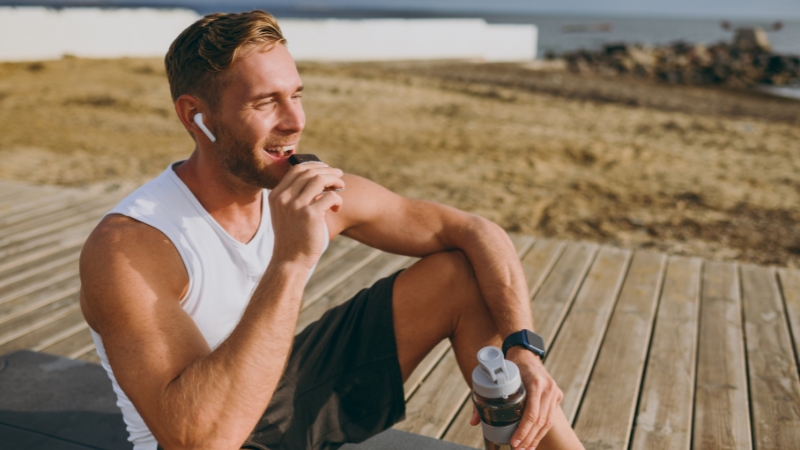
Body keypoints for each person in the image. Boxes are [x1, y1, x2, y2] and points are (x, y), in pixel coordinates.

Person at [79, 10, 586, 450]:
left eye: (296, 94)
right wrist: (291, 261)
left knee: (459, 274)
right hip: (211, 430)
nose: (295, 120)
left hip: (279, 391)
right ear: (197, 117)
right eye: (265, 103)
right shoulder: (131, 247)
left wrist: (523, 348)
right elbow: (197, 439)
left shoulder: (308, 189)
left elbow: (475, 229)